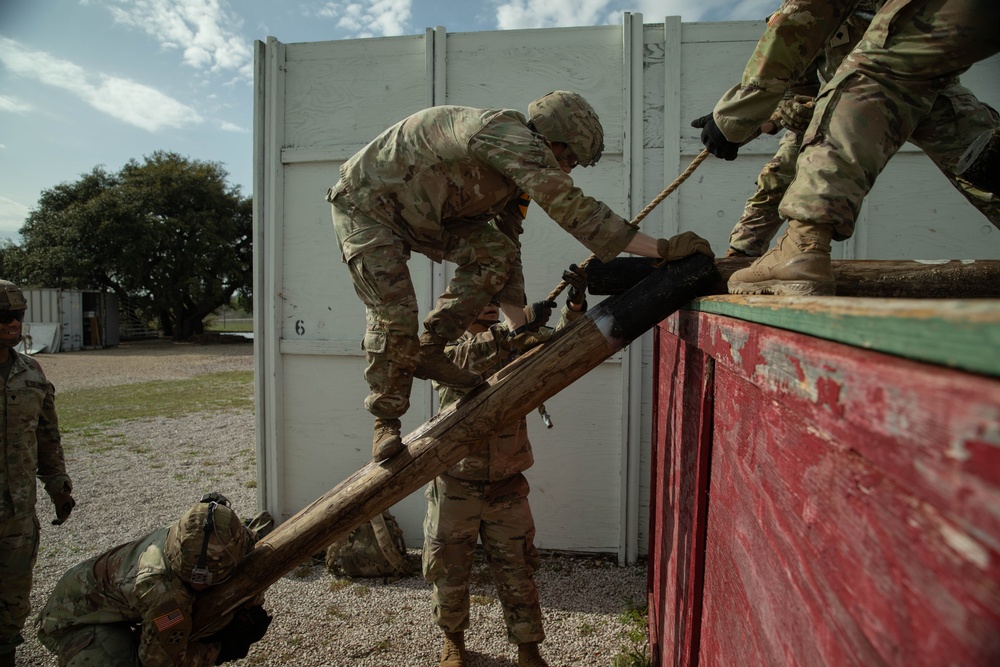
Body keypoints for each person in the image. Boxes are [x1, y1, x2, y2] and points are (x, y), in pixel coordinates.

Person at [328, 90, 713, 462]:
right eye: (570, 160)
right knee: (395, 313)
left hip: (425, 218)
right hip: (368, 206)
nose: (568, 169)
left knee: (496, 250)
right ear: (554, 140)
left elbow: (507, 250)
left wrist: (519, 328)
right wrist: (660, 248)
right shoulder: (504, 134)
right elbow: (570, 206)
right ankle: (387, 421)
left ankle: (432, 348)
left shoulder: (514, 180)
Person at [692, 0, 1000, 294]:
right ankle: (795, 249)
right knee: (975, 152)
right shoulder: (814, 65)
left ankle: (802, 247)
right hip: (919, 72)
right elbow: (791, 153)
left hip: (904, 79)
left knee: (873, 77)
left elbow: (800, 23)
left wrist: (735, 118)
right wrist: (743, 249)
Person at [422, 264, 590, 667]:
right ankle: (454, 642)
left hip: (506, 484)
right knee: (449, 570)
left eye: (496, 300)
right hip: (455, 483)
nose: (492, 306)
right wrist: (512, 333)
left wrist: (576, 305)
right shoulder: (444, 348)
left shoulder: (519, 338)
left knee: (517, 569)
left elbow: (567, 345)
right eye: (482, 300)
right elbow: (457, 365)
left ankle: (528, 648)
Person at [37, 494, 272, 667]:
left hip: (115, 601)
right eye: (193, 578)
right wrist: (219, 649)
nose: (200, 585)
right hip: (75, 619)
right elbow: (158, 663)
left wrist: (249, 603)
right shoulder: (164, 592)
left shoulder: (219, 534)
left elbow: (250, 553)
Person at [0, 279, 75, 667]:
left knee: (12, 602)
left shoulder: (30, 371)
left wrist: (59, 485)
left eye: (18, 315)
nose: (12, 323)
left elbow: (47, 436)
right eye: (3, 316)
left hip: (16, 516)